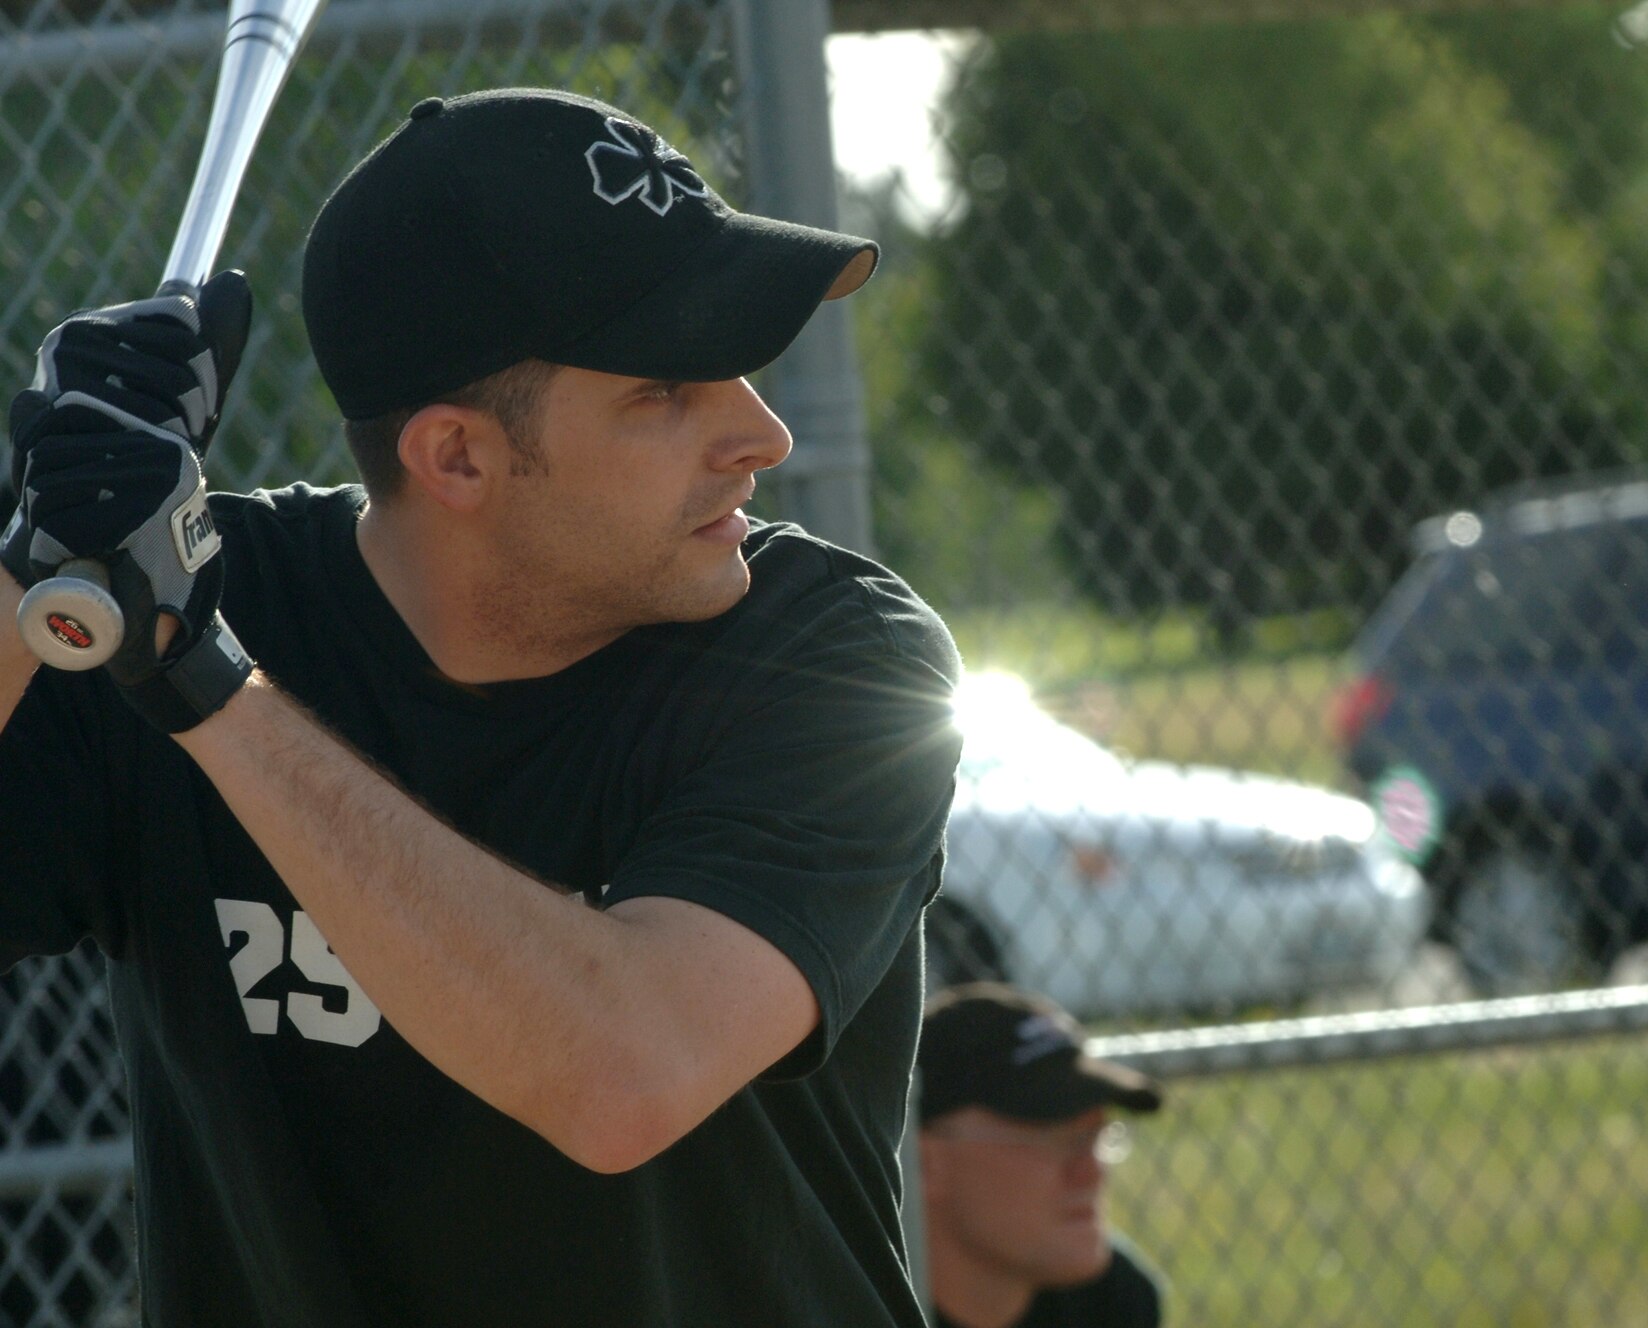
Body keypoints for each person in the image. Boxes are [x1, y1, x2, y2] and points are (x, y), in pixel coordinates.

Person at [0, 87, 962, 1326]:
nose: (761, 432)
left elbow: (622, 1074)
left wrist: (205, 685)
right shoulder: (182, 606)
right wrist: (31, 554)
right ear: (455, 457)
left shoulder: (836, 661)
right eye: (664, 390)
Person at [918, 983, 1169, 1328]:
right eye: (1052, 1136)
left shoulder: (1113, 1299)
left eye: (1096, 1135)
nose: (1091, 1171)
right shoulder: (844, 1306)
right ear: (925, 1163)